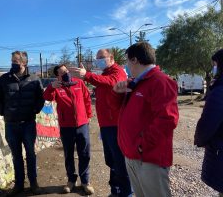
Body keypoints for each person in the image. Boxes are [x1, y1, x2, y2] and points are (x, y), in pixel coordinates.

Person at [113, 42, 179, 197]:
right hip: (133, 155)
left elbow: (168, 119)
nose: (126, 65)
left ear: (134, 60)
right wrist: (117, 93)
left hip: (149, 158)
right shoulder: (136, 82)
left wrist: (141, 146)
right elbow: (123, 112)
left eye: (127, 61)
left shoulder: (160, 81)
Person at [69, 49, 132, 197]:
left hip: (115, 125)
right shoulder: (105, 73)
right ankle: (116, 191)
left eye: (101, 58)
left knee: (120, 162)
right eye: (97, 58)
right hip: (106, 125)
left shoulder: (117, 72)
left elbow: (111, 82)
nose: (98, 60)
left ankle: (126, 192)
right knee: (112, 161)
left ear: (111, 58)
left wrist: (87, 76)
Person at [0, 51, 45, 195]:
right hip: (11, 125)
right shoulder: (4, 79)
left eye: (16, 61)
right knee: (16, 155)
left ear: (24, 63)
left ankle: (34, 183)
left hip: (28, 123)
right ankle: (19, 184)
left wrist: (35, 110)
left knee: (30, 154)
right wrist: (3, 112)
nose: (13, 63)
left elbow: (41, 98)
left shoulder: (34, 79)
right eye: (12, 60)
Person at [43, 64, 95, 195]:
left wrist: (88, 115)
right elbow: (47, 97)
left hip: (82, 125)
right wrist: (51, 87)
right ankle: (71, 181)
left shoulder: (78, 82)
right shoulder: (57, 87)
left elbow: (87, 99)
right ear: (58, 76)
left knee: (84, 153)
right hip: (67, 127)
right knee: (69, 154)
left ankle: (85, 181)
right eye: (62, 72)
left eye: (66, 70)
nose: (65, 73)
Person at [194, 49, 223, 197]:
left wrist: (199, 140)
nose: (214, 67)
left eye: (215, 64)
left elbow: (207, 124)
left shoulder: (219, 91)